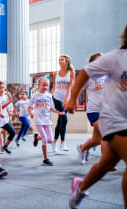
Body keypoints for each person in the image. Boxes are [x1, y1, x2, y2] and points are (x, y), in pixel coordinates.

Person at [67, 25, 127, 209]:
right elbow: (86, 72)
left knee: (106, 163)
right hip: (114, 117)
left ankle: (80, 187)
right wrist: (73, 98)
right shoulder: (117, 57)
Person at [76, 53, 108, 165]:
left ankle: (82, 148)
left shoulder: (108, 75)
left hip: (106, 111)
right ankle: (106, 162)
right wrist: (74, 100)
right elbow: (78, 87)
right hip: (93, 110)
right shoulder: (89, 76)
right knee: (106, 135)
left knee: (96, 139)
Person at [29, 78, 65, 166]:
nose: (45, 87)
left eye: (47, 85)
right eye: (43, 85)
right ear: (39, 86)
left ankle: (37, 137)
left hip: (47, 120)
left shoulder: (49, 96)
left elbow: (51, 108)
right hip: (39, 120)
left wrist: (59, 112)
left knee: (50, 140)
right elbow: (29, 106)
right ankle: (45, 159)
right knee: (45, 139)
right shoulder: (35, 95)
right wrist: (31, 113)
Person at [51, 55, 75, 151]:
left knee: (60, 120)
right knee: (64, 120)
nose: (60, 61)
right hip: (56, 98)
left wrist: (66, 100)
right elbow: (54, 87)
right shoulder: (55, 73)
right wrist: (49, 97)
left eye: (62, 59)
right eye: (59, 59)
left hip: (66, 99)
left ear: (67, 62)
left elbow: (70, 88)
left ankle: (54, 142)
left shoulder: (71, 73)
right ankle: (62, 143)